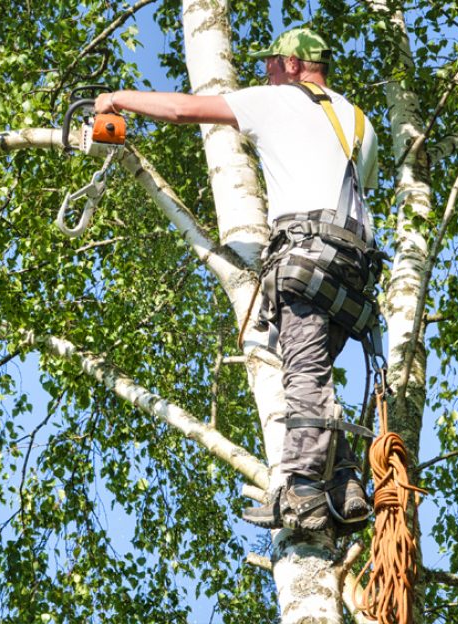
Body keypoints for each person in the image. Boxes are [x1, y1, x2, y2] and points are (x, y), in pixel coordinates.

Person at [95, 28, 381, 532]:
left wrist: (118, 99)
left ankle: (304, 492)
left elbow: (185, 110)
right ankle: (344, 482)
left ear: (293, 65)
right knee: (316, 374)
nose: (265, 72)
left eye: (271, 64)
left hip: (306, 262)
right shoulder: (361, 123)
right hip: (354, 273)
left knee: (303, 375)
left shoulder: (277, 101)